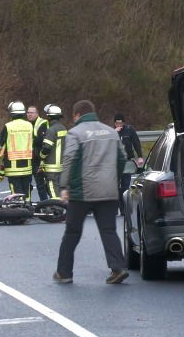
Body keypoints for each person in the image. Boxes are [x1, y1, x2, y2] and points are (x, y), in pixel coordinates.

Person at [55, 100, 128, 285]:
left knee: (72, 231)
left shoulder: (75, 133)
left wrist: (64, 186)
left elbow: (70, 159)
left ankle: (64, 272)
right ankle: (118, 268)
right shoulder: (111, 132)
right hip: (108, 190)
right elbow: (122, 158)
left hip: (82, 192)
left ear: (77, 115)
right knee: (109, 230)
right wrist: (114, 179)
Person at [0, 101, 34, 200]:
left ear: (12, 113)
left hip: (12, 165)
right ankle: (28, 209)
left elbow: (2, 143)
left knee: (16, 192)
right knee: (27, 190)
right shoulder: (29, 125)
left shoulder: (8, 126)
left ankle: (19, 210)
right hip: (27, 165)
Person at [114, 113, 144, 215]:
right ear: (114, 123)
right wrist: (114, 133)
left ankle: (124, 209)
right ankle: (116, 208)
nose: (119, 124)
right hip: (115, 162)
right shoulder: (110, 132)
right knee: (114, 187)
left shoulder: (129, 130)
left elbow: (136, 143)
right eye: (117, 123)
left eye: (120, 122)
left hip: (127, 162)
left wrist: (140, 156)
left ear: (123, 122)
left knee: (125, 186)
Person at [38, 104, 67, 199]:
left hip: (52, 167)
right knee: (60, 189)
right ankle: (62, 208)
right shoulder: (63, 128)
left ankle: (55, 208)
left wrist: (41, 156)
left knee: (52, 189)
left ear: (49, 117)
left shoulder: (51, 130)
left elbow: (46, 148)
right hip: (62, 165)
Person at [27, 105, 50, 201]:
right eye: (28, 112)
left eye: (31, 113)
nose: (29, 114)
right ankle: (44, 204)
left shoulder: (42, 123)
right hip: (32, 158)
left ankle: (48, 203)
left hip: (41, 159)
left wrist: (28, 141)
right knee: (38, 184)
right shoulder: (28, 124)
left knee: (43, 184)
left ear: (37, 114)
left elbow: (41, 140)